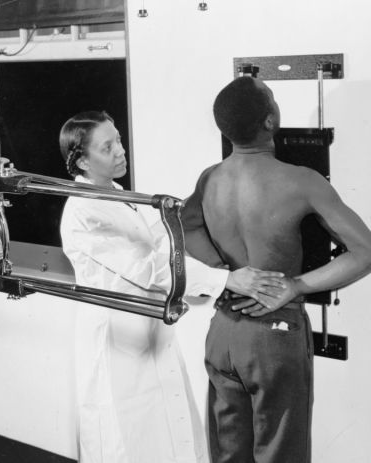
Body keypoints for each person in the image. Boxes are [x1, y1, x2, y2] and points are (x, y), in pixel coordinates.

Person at [58, 111, 286, 463]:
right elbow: (147, 268)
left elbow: (166, 250)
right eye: (108, 147)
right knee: (127, 442)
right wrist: (225, 279)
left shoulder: (122, 196)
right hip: (117, 339)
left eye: (118, 139)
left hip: (151, 330)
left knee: (168, 436)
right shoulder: (81, 212)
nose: (120, 150)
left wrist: (218, 266)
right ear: (84, 161)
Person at [182, 76, 371, 463]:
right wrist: (296, 286)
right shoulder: (302, 182)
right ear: (269, 121)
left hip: (224, 332)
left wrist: (225, 274)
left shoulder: (210, 178)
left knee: (228, 455)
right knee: (280, 455)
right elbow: (365, 251)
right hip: (274, 336)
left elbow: (185, 225)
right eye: (270, 96)